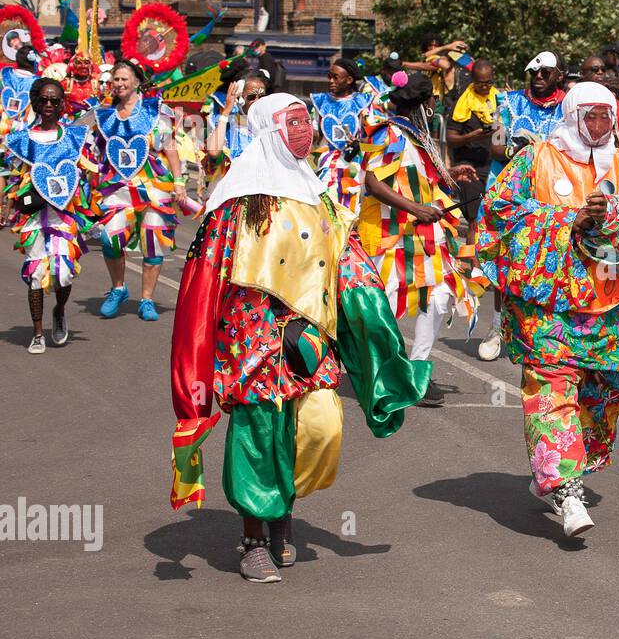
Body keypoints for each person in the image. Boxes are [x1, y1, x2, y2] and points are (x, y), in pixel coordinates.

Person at [168, 93, 432, 584]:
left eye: (306, 121)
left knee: (319, 429)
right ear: (269, 129)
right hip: (253, 343)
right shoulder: (235, 205)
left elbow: (347, 261)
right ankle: (254, 539)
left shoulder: (319, 196)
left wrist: (374, 321)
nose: (305, 131)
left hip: (311, 340)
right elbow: (203, 283)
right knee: (259, 436)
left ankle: (281, 509)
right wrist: (201, 368)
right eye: (293, 122)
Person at [477, 81, 619, 539]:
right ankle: (566, 488)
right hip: (548, 308)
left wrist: (612, 214)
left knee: (604, 391)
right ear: (573, 115)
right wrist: (569, 220)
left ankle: (561, 465)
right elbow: (498, 212)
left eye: (607, 117)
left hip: (609, 307)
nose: (599, 126)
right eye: (591, 117)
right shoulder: (537, 158)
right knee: (550, 389)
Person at [358, 72, 468, 407]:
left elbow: (419, 179)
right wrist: (416, 209)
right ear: (424, 103)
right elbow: (373, 184)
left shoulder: (413, 134)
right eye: (433, 99)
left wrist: (454, 174)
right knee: (385, 307)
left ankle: (416, 370)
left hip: (422, 234)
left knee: (439, 295)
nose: (435, 105)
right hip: (391, 235)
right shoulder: (387, 132)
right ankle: (384, 373)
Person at [480, 51, 568, 362]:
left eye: (547, 72)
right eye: (536, 72)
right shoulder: (508, 101)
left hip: (553, 192)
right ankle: (497, 327)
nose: (540, 77)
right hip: (512, 192)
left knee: (550, 260)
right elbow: (495, 145)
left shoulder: (569, 106)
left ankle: (544, 329)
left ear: (559, 75)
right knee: (505, 259)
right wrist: (515, 147)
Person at [92, 58, 195, 322]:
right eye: (116, 79)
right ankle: (118, 289)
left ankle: (147, 299)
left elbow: (169, 146)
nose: (119, 83)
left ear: (137, 81)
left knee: (153, 242)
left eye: (125, 79)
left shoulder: (153, 111)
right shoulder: (103, 114)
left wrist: (179, 181)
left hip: (152, 186)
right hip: (118, 187)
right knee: (109, 239)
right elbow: (87, 145)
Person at [2, 78, 97, 353]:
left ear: (62, 104)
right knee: (36, 274)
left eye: (54, 100)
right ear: (34, 102)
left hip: (63, 216)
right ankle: (37, 333)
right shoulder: (21, 140)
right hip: (33, 217)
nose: (48, 105)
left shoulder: (73, 137)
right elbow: (12, 176)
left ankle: (59, 310)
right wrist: (8, 205)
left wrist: (90, 210)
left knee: (63, 275)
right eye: (43, 99)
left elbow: (86, 175)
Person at [309, 58, 379, 213]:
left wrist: (359, 142)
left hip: (354, 167)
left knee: (352, 212)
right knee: (327, 211)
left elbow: (373, 133)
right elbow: (313, 134)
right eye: (329, 76)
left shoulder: (362, 102)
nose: (331, 81)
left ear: (349, 80)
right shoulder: (320, 102)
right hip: (327, 167)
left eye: (336, 77)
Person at [204, 69, 272, 188]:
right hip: (230, 194)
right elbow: (214, 151)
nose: (257, 101)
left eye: (261, 97)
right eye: (251, 97)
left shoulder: (269, 124)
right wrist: (226, 111)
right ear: (240, 99)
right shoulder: (227, 123)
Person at [446, 60, 498, 182]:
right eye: (480, 83)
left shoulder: (498, 99)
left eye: (488, 82)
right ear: (472, 79)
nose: (485, 86)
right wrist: (471, 137)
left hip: (493, 166)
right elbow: (450, 140)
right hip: (469, 169)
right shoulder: (462, 103)